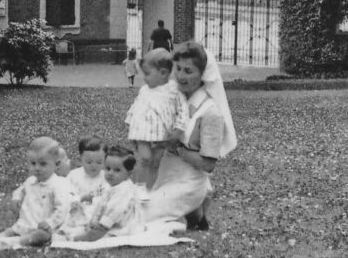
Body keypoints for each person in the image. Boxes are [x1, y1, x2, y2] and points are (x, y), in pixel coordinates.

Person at [135, 41, 237, 231]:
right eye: (178, 69)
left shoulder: (210, 112)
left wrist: (175, 147)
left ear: (202, 74)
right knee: (124, 205)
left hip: (188, 182)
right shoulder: (169, 98)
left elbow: (208, 164)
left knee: (139, 217)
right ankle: (194, 215)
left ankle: (187, 212)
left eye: (188, 71)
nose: (180, 76)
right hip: (161, 175)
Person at [0, 137, 72, 248]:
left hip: (45, 228)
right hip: (26, 223)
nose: (37, 168)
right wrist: (16, 198)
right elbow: (19, 191)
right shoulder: (30, 181)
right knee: (11, 231)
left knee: (39, 235)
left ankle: (14, 242)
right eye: (33, 163)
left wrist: (50, 223)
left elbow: (62, 209)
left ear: (57, 164)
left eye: (43, 164)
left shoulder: (58, 185)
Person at [125, 48, 189, 190]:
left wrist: (178, 130)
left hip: (162, 134)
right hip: (142, 132)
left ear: (163, 73)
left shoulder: (174, 91)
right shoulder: (145, 90)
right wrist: (129, 122)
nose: (144, 78)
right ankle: (138, 189)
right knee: (145, 159)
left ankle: (151, 188)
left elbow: (183, 111)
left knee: (156, 162)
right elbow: (136, 106)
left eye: (147, 74)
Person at [73, 146, 138, 242]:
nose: (110, 173)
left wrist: (102, 225)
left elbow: (116, 210)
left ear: (129, 173)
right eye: (108, 168)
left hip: (122, 224)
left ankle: (90, 236)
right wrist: (95, 219)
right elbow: (102, 204)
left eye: (117, 170)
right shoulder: (113, 185)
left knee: (98, 234)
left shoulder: (125, 190)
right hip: (110, 220)